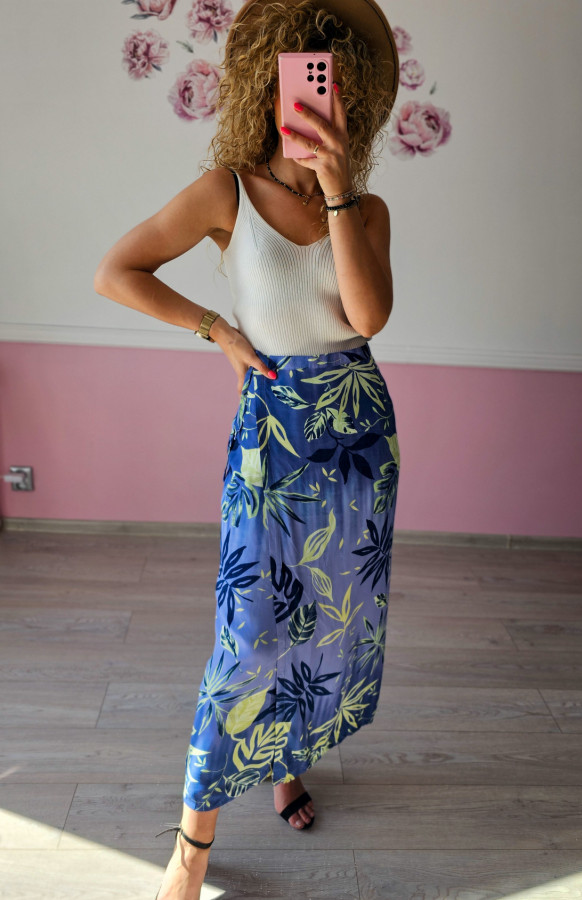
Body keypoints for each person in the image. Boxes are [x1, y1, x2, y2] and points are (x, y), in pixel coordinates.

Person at [94, 0, 400, 896]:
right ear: (267, 89)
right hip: (273, 440)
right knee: (247, 636)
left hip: (357, 442)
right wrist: (217, 329)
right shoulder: (225, 191)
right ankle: (192, 846)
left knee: (326, 625)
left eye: (330, 87)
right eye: (296, 81)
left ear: (353, 101)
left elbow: (368, 317)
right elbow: (116, 271)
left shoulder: (368, 210)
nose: (309, 101)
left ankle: (285, 760)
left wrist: (336, 188)